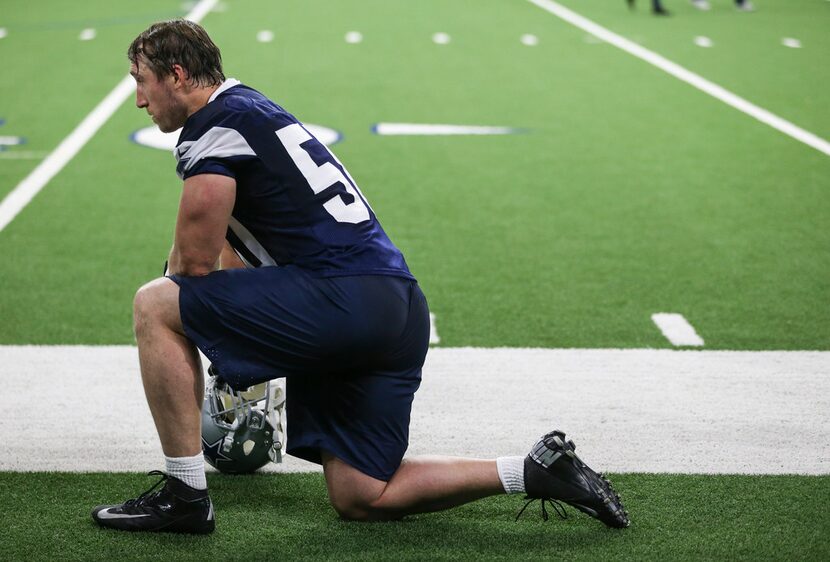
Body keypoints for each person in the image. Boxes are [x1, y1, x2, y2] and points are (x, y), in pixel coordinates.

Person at [91, 19, 629, 534]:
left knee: (154, 304)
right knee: (364, 494)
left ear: (178, 75)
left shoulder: (213, 125)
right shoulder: (254, 110)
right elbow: (233, 250)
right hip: (396, 307)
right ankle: (532, 470)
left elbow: (193, 266)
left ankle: (184, 496)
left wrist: (219, 350)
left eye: (142, 81)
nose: (139, 99)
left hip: (339, 300)